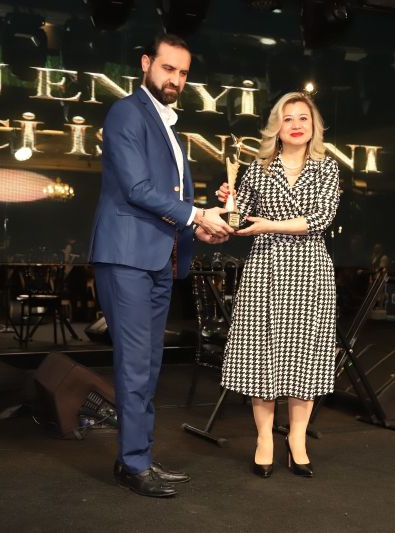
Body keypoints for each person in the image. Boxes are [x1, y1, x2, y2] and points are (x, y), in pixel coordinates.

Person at [89, 33, 232, 498]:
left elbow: (167, 202)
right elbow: (136, 189)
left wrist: (197, 228)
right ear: (146, 63)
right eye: (168, 68)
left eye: (183, 73)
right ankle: (134, 464)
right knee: (135, 365)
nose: (176, 79)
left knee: (149, 366)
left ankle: (138, 458)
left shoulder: (167, 124)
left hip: (158, 259)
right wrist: (196, 215)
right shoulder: (126, 112)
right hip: (126, 256)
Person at [217, 91, 340, 478]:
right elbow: (240, 220)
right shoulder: (258, 168)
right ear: (277, 127)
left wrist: (269, 224)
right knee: (261, 358)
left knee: (306, 358)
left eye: (304, 118)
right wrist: (230, 200)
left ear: (314, 126)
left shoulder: (327, 168)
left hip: (311, 270)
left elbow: (321, 219)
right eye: (288, 118)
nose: (297, 125)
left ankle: (297, 440)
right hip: (265, 269)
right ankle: (264, 439)